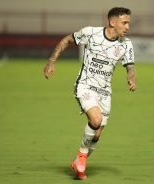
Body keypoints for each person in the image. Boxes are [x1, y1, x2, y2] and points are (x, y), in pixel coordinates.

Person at [43, 7, 136, 179]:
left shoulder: (126, 44)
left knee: (97, 133)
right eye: (124, 22)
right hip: (85, 86)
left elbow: (130, 66)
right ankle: (81, 158)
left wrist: (131, 78)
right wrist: (51, 61)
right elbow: (67, 39)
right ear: (112, 22)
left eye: (128, 23)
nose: (127, 27)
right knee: (96, 119)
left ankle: (78, 163)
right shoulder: (91, 33)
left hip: (105, 92)